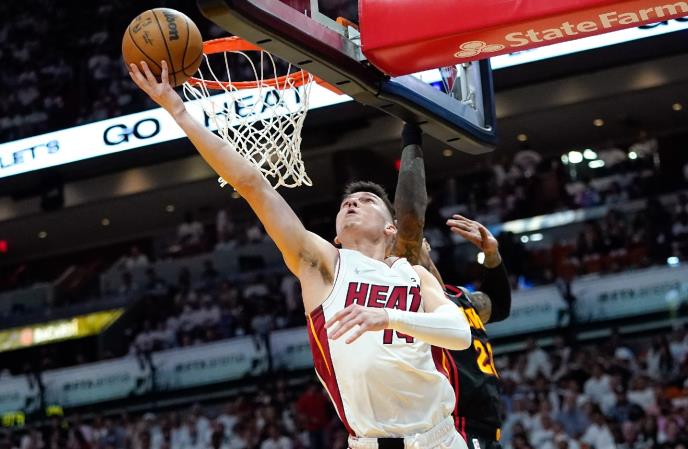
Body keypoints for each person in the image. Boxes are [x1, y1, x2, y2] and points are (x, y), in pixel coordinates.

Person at [129, 61, 472, 449]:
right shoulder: (325, 264)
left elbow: (460, 335)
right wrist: (178, 110)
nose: (353, 204)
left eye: (367, 201)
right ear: (336, 236)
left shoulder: (414, 275)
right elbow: (253, 185)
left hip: (440, 438)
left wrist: (388, 317)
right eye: (347, 203)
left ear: (391, 228)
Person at [393, 123, 512, 449]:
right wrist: (412, 136)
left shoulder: (459, 297)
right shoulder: (415, 297)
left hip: (485, 428)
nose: (408, 238)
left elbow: (500, 307)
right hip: (452, 427)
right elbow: (410, 216)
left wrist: (492, 255)